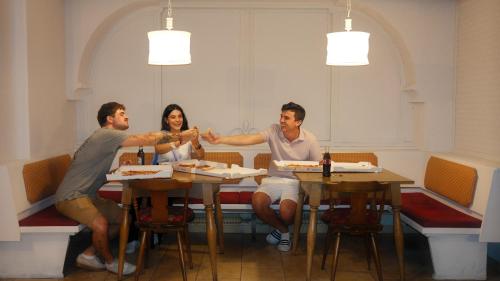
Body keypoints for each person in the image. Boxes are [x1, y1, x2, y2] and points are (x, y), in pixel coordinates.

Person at [54, 102, 196, 274]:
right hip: (70, 196)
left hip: (88, 195)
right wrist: (180, 137)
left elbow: (95, 176)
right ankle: (110, 262)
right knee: (101, 224)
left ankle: (88, 254)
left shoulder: (107, 139)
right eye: (122, 113)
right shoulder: (107, 134)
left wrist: (118, 170)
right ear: (110, 119)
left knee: (123, 219)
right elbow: (147, 138)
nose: (126, 116)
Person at [202, 102, 321, 251]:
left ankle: (280, 231)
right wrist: (220, 139)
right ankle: (283, 231)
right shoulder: (274, 130)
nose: (281, 120)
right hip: (273, 179)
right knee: (257, 202)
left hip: (295, 182)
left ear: (298, 122)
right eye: (281, 116)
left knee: (286, 211)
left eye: (286, 117)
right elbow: (250, 138)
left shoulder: (310, 139)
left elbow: (319, 166)